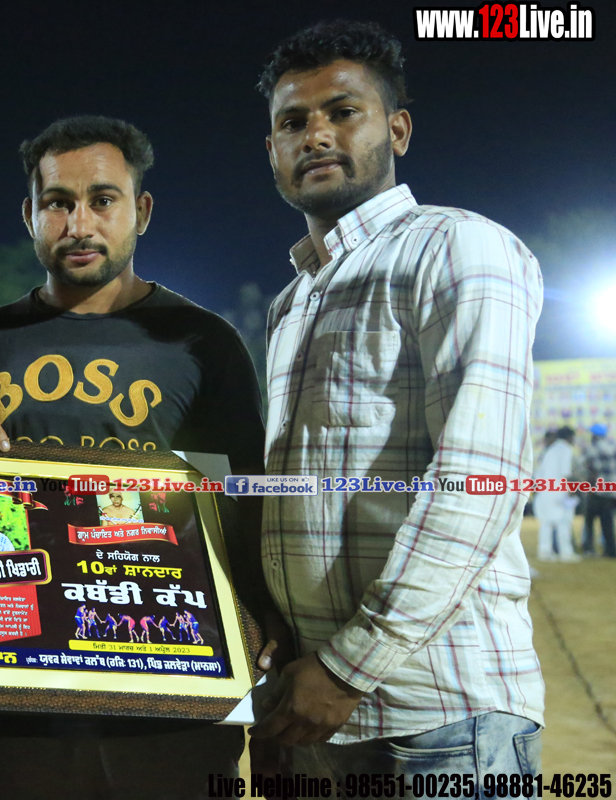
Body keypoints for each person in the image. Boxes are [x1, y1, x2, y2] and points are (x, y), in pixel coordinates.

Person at [0, 115, 271, 800]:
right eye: (57, 202)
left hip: (174, 701)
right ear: (30, 215)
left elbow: (248, 509)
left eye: (102, 200)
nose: (79, 224)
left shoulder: (203, 342)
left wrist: (262, 631)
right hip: (27, 703)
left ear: (141, 211)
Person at [253, 20, 544, 780]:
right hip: (310, 710)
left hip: (435, 718)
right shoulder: (292, 301)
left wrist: (349, 667)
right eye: (293, 122)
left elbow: (480, 480)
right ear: (273, 151)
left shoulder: (457, 247)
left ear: (398, 130)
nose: (316, 135)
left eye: (343, 112)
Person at [533, 427, 580, 562]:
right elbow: (565, 472)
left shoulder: (549, 450)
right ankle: (566, 553)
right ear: (569, 437)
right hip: (558, 491)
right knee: (563, 522)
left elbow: (538, 474)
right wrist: (570, 491)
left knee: (546, 523)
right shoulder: (565, 449)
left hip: (544, 491)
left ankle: (545, 552)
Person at [580, 423, 616, 557]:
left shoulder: (591, 448)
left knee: (589, 520)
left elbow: (591, 470)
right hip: (611, 490)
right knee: (607, 521)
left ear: (594, 435)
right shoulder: (613, 447)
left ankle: (588, 548)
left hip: (596, 490)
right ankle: (610, 550)